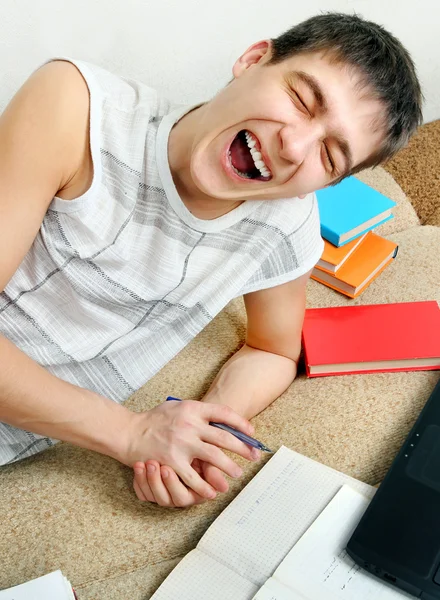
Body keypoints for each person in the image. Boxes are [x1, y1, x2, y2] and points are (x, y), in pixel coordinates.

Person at [0, 12, 422, 508]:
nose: (293, 146)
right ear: (253, 59)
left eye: (329, 157)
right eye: (301, 99)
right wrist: (132, 433)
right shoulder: (75, 105)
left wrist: (206, 428)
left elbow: (273, 352)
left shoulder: (286, 225)